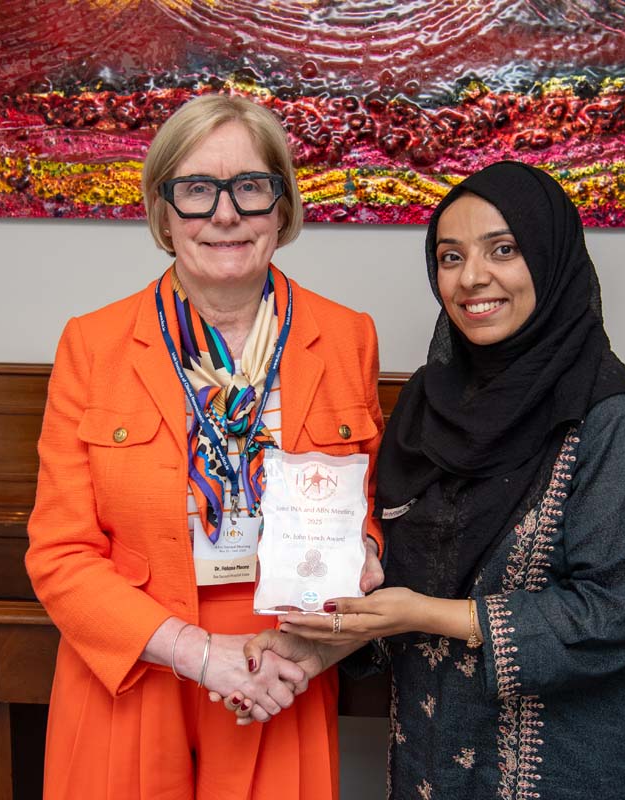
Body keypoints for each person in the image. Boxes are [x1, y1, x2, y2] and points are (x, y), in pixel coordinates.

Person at [236, 161, 625, 799]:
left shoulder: (612, 420)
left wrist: (424, 614)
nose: (471, 277)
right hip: (432, 759)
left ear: (552, 260)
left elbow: (612, 613)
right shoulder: (427, 406)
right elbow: (404, 571)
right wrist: (319, 649)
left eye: (504, 249)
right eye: (450, 256)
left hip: (561, 767)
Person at [25, 93, 385, 800]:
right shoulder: (93, 345)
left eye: (250, 187)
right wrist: (194, 652)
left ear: (282, 207)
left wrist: (362, 558)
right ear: (163, 213)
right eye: (196, 190)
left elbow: (365, 508)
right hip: (134, 663)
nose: (225, 215)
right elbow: (59, 552)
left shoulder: (348, 338)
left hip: (282, 664)